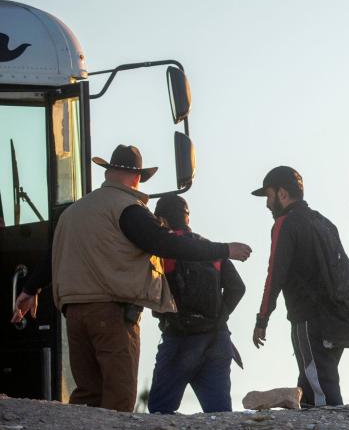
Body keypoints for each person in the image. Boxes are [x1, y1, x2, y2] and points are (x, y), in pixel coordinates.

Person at [11, 145, 251, 412]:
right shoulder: (128, 208)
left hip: (75, 315)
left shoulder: (73, 212)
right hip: (112, 315)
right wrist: (224, 249)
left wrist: (29, 289)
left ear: (109, 171)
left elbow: (53, 256)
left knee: (88, 394)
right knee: (119, 396)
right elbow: (164, 243)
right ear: (137, 177)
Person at [252, 166, 349, 407]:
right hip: (338, 318)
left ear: (282, 194)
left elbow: (275, 275)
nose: (267, 204)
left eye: (269, 196)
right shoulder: (323, 222)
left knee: (321, 387)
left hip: (310, 320)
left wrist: (262, 319)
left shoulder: (285, 223)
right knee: (312, 382)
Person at [147, 196, 246, 414]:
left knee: (159, 414)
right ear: (187, 217)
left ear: (161, 220)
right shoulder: (212, 250)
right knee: (220, 417)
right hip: (217, 341)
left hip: (179, 341)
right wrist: (219, 318)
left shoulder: (164, 252)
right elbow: (238, 288)